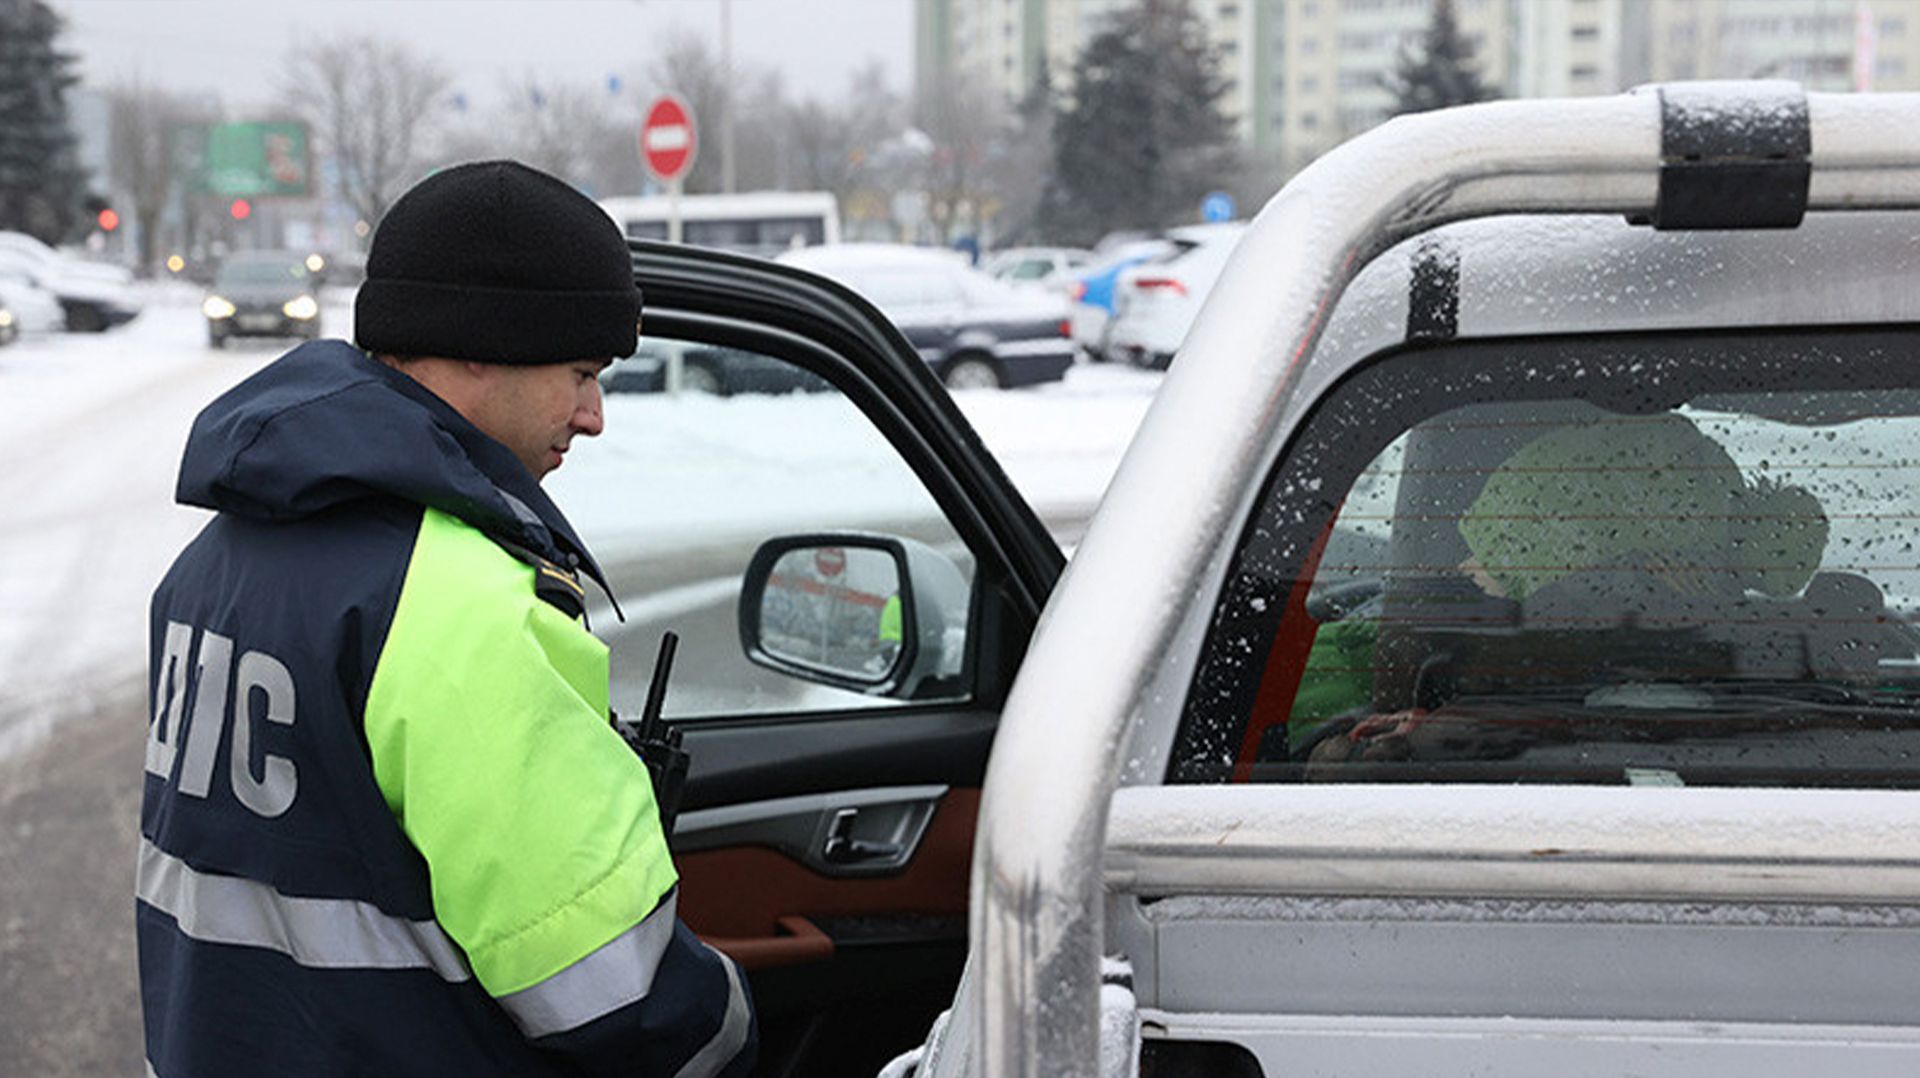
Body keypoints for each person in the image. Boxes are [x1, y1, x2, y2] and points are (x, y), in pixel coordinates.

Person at [138, 161, 754, 1077]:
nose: (592, 416)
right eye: (581, 372)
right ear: (480, 343)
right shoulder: (461, 605)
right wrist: (739, 1027)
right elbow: (620, 998)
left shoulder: (215, 564)